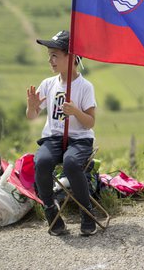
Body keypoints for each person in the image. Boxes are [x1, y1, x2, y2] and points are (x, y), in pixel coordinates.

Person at [26, 30, 98, 235]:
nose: (50, 60)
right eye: (49, 55)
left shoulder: (85, 87)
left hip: (80, 140)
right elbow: (32, 116)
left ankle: (87, 212)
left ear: (72, 57)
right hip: (53, 138)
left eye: (55, 55)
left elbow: (90, 123)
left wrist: (76, 112)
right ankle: (50, 210)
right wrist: (31, 107)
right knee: (41, 162)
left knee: (72, 163)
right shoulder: (48, 84)